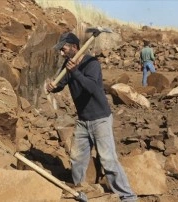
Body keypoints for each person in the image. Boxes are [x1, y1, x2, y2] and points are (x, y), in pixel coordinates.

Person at [46, 32, 137, 202]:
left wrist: (75, 72)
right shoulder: (67, 65)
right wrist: (54, 87)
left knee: (108, 159)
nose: (61, 53)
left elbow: (92, 88)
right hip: (82, 120)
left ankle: (128, 197)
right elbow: (62, 83)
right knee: (77, 159)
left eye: (64, 49)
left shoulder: (91, 63)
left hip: (100, 118)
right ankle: (81, 192)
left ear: (74, 47)